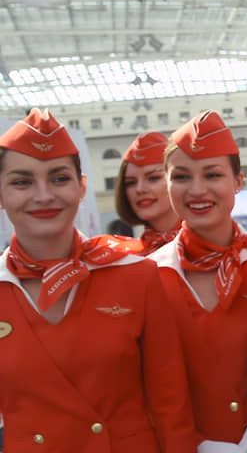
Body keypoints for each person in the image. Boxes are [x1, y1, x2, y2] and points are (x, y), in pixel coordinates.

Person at [0, 109, 199, 452]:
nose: (43, 195)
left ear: (81, 187)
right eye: (22, 182)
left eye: (59, 178)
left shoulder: (136, 276)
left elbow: (171, 406)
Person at [148, 110, 247, 453]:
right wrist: (196, 445)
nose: (197, 190)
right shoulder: (147, 276)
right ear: (166, 183)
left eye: (213, 174)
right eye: (181, 177)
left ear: (238, 182)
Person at [115, 131, 181, 253]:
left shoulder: (212, 245)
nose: (140, 189)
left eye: (153, 178)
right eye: (131, 183)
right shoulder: (126, 258)